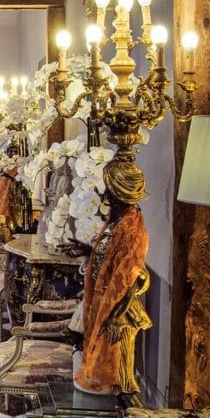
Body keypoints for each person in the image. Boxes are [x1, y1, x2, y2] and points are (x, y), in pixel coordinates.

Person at [74, 157, 151, 401]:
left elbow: (132, 277)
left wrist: (115, 316)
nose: (105, 192)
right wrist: (86, 250)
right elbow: (108, 257)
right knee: (112, 370)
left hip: (119, 312)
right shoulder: (116, 221)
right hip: (104, 303)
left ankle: (128, 417)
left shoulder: (132, 228)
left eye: (109, 187)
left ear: (120, 191)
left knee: (121, 377)